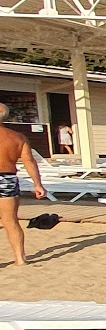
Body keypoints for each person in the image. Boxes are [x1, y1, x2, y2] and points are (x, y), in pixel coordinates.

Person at [0, 103, 48, 267]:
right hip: (8, 178)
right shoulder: (18, 138)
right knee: (10, 220)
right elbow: (29, 161)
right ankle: (20, 258)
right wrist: (38, 184)